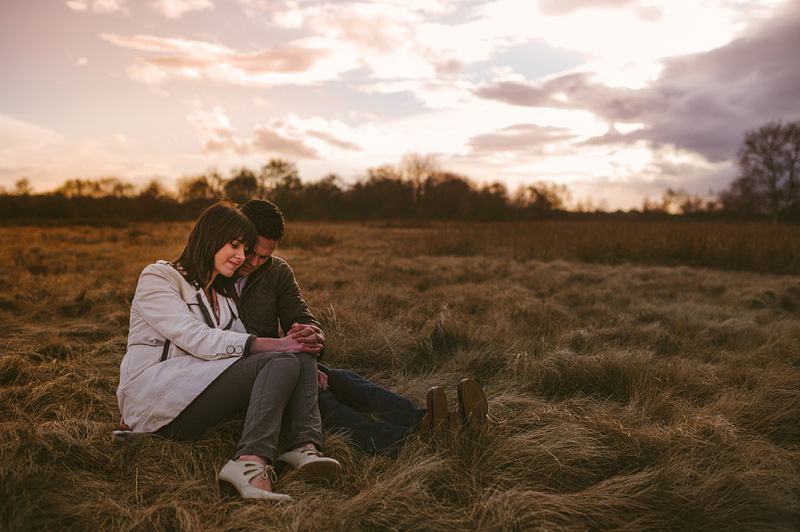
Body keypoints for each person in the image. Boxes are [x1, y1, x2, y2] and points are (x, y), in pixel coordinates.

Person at [115, 202, 339, 502]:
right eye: (234, 245)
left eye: (245, 249)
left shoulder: (223, 298)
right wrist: (278, 345)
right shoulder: (160, 277)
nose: (242, 257)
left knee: (297, 349)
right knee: (281, 354)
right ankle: (251, 463)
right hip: (155, 400)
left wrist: (301, 356)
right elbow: (193, 336)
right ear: (209, 237)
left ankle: (302, 447)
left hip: (197, 391)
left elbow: (245, 344)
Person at [234, 199, 489, 457]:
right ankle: (405, 441)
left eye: (264, 257)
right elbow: (219, 343)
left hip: (284, 362)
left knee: (343, 379)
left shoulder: (277, 271)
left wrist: (309, 340)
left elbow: (301, 316)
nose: (254, 262)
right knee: (318, 400)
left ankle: (435, 422)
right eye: (250, 253)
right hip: (246, 374)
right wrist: (297, 368)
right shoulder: (214, 273)